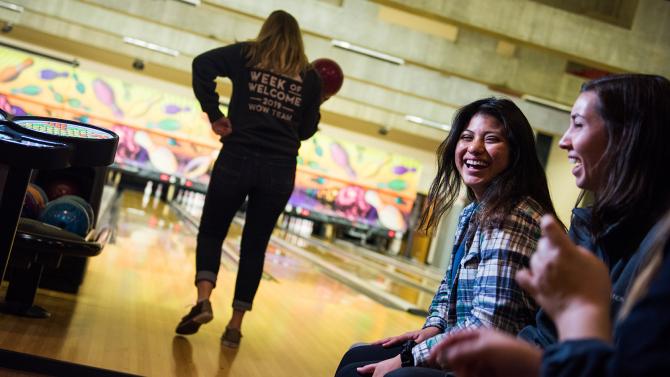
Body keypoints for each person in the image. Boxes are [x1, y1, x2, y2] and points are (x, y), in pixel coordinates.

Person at [428, 73, 670, 376]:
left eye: (578, 124)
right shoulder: (595, 231)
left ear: (629, 137)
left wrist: (581, 312)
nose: (564, 141)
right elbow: (547, 337)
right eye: (466, 137)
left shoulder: (657, 246)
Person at [335, 97, 561, 376]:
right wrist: (433, 328)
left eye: (491, 139)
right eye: (467, 137)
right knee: (356, 357)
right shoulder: (474, 212)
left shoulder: (511, 217)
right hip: (466, 350)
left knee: (374, 373)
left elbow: (491, 326)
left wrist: (406, 360)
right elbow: (448, 288)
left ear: (516, 153)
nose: (474, 148)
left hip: (497, 364)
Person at [175, 10, 323, 348]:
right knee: (254, 246)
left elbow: (202, 65)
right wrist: (315, 105)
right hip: (280, 166)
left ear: (266, 31)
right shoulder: (310, 76)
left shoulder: (247, 54)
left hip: (237, 156)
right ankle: (235, 326)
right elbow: (304, 131)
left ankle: (203, 301)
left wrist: (214, 114)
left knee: (212, 231)